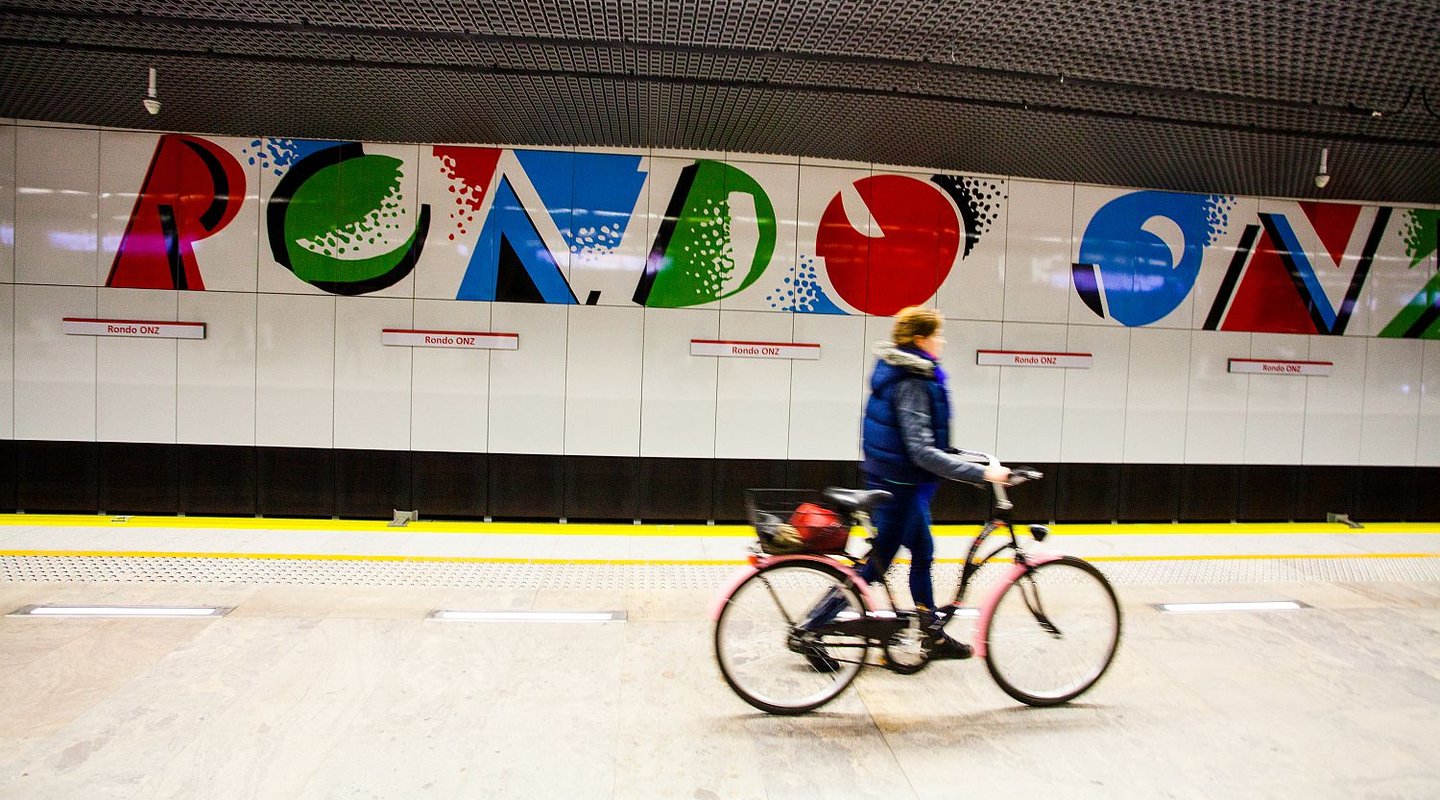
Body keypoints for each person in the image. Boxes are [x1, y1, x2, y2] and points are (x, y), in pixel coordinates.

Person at [856, 306, 1009, 659]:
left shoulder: (898, 371)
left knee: (922, 551)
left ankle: (932, 634)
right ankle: (811, 628)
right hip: (899, 489)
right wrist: (983, 474)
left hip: (898, 482)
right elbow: (922, 451)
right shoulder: (912, 380)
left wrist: (969, 458)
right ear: (920, 340)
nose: (942, 341)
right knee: (870, 571)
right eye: (938, 335)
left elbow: (922, 441)